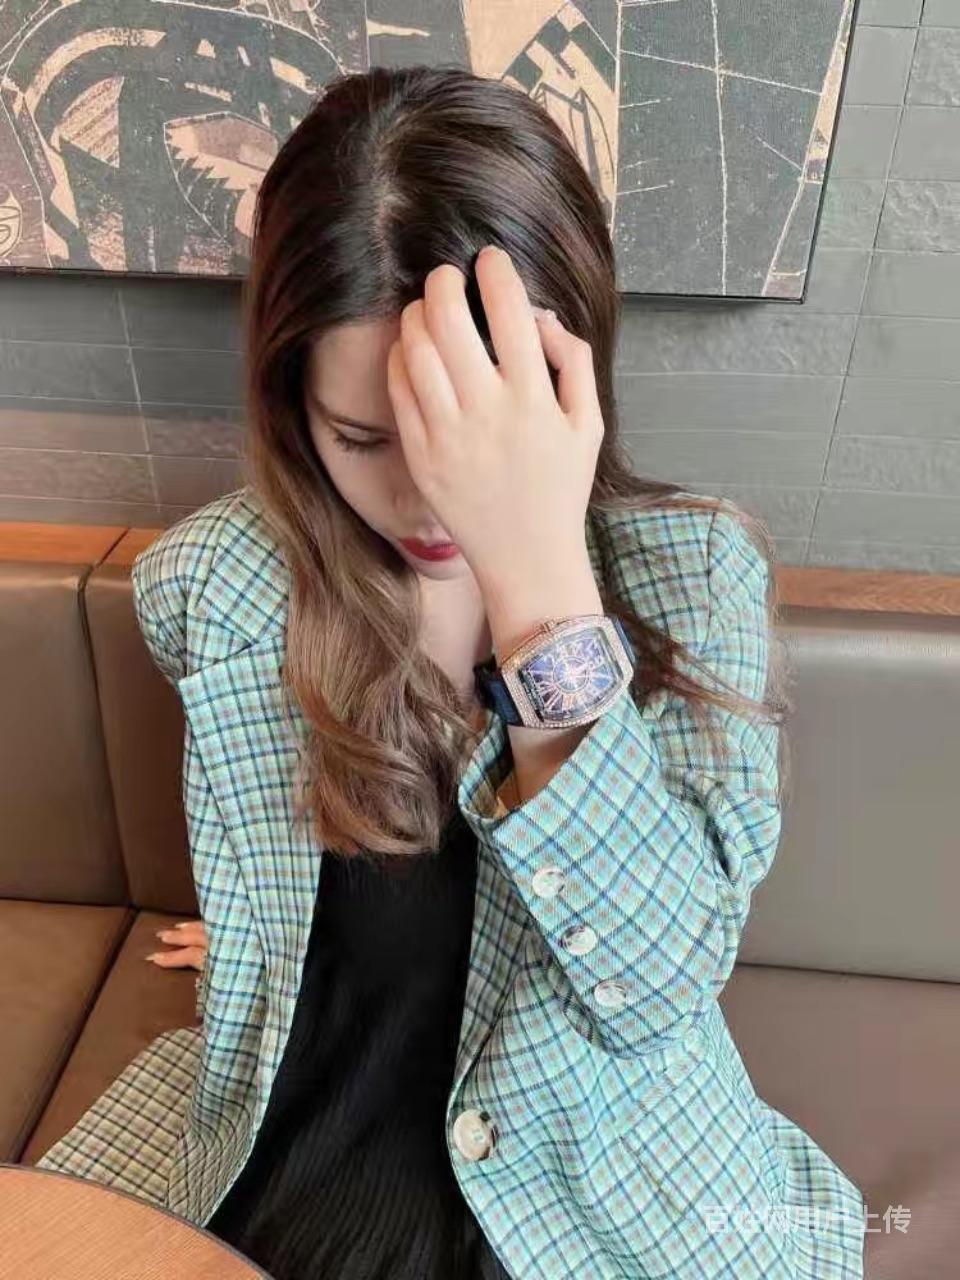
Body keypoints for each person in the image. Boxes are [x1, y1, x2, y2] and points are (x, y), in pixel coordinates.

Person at [36, 64, 867, 1280]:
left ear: (570, 380)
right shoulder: (216, 585)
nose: (425, 496)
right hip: (305, 1144)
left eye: (468, 435)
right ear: (292, 407)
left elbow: (658, 982)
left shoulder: (691, 576)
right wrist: (268, 934)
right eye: (364, 437)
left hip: (587, 1178)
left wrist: (535, 577)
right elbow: (284, 869)